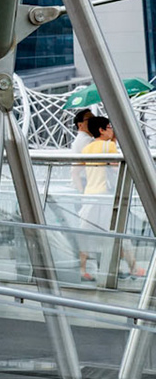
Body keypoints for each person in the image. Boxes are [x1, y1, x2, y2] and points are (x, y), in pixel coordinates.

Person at [79, 118, 120, 281]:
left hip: (89, 194)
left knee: (85, 232)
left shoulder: (87, 148)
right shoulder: (109, 146)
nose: (112, 130)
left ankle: (83, 269)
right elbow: (116, 167)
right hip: (104, 195)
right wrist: (114, 143)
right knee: (115, 231)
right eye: (110, 127)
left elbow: (80, 170)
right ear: (101, 130)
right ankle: (130, 267)